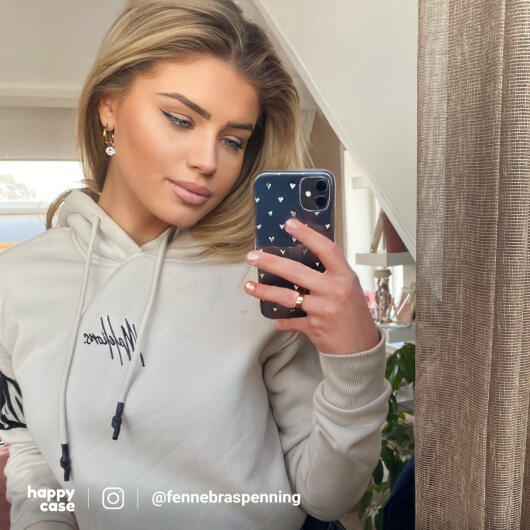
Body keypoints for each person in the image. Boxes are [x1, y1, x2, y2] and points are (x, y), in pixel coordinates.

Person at [0, 1, 391, 528]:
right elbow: (29, 447)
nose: (208, 161)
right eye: (181, 119)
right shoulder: (17, 282)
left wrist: (355, 358)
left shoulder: (262, 278)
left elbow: (323, 495)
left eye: (233, 140)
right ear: (108, 107)